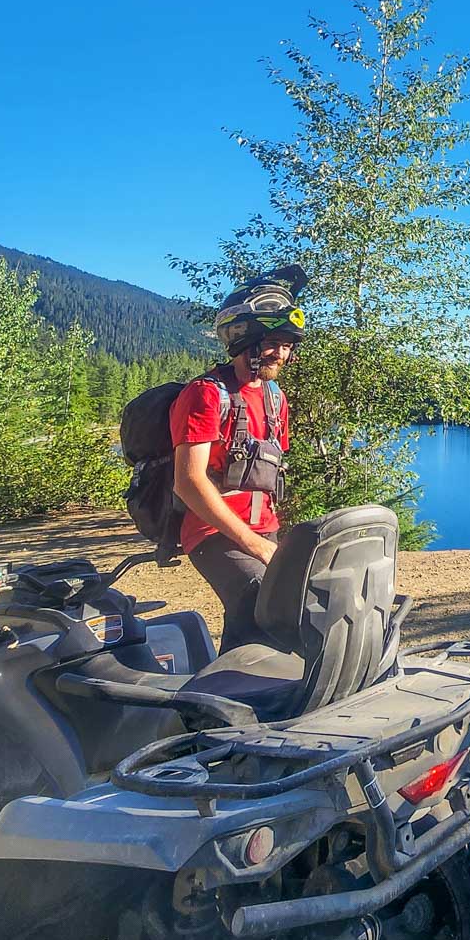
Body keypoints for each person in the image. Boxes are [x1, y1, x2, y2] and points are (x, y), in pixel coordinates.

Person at [168, 269, 306, 654]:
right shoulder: (206, 394)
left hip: (265, 528)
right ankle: (251, 704)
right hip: (214, 535)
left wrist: (271, 541)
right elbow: (189, 481)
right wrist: (254, 545)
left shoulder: (276, 399)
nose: (281, 352)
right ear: (243, 340)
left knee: (255, 624)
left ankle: (220, 699)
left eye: (287, 344)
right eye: (272, 343)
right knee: (263, 606)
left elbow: (266, 474)